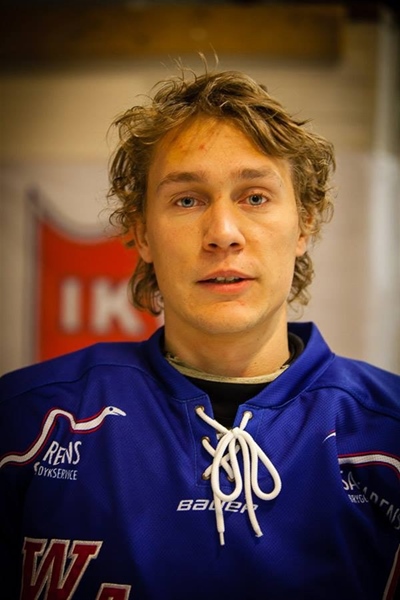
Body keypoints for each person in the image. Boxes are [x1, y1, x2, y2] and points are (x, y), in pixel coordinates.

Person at [0, 65, 399, 600]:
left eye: (255, 197)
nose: (223, 234)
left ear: (304, 223)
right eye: (187, 199)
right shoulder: (24, 424)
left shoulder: (387, 433)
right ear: (142, 232)